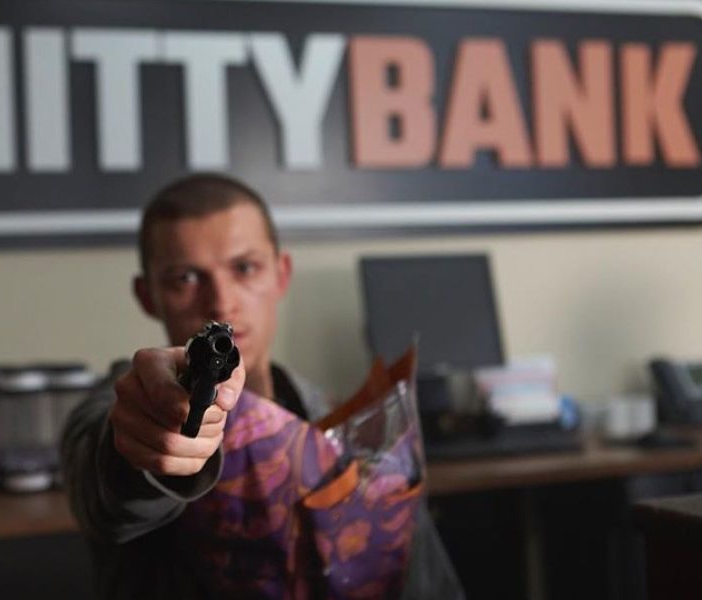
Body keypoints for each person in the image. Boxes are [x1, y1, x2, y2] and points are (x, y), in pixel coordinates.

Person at [61, 174, 463, 599]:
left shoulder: (346, 423)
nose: (221, 302)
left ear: (281, 274)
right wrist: (145, 439)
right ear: (148, 297)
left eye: (244, 268)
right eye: (185, 278)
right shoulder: (125, 407)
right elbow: (106, 486)